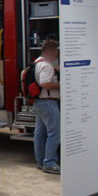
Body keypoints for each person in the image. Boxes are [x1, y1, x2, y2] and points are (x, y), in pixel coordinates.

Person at [33, 40, 61, 174]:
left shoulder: (37, 63)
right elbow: (45, 83)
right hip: (48, 102)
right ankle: (50, 162)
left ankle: (41, 161)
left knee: (40, 133)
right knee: (55, 133)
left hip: (39, 102)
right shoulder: (47, 66)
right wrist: (60, 85)